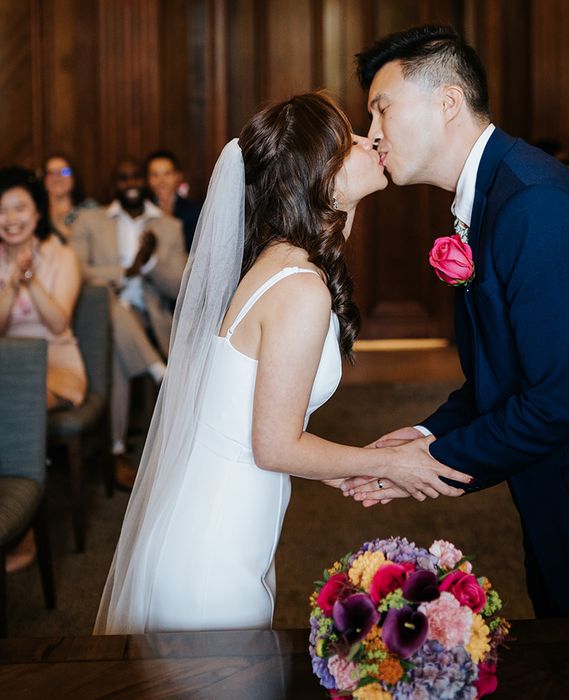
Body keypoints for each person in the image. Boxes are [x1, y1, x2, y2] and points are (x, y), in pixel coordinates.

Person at [344, 25, 569, 618]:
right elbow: (504, 375)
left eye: (382, 110)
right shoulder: (493, 196)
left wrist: (427, 466)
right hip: (565, 497)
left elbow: (556, 402)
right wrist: (428, 435)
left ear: (448, 101)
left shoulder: (535, 204)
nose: (373, 133)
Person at [93, 92, 471, 635]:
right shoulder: (299, 286)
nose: (373, 141)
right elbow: (275, 444)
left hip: (218, 519)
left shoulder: (280, 261)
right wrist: (389, 465)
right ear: (319, 175)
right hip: (212, 554)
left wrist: (357, 463)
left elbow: (252, 432)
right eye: (351, 141)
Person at [71, 159, 188, 488]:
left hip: (150, 317)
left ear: (144, 182)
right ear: (114, 185)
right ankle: (155, 367)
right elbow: (77, 271)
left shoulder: (168, 226)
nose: (130, 183)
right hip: (106, 310)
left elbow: (180, 284)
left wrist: (148, 263)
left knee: (118, 349)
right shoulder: (89, 221)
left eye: (136, 176)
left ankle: (117, 448)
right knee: (106, 302)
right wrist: (125, 272)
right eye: (123, 178)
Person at [0, 166, 87, 572]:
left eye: (19, 208)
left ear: (37, 213)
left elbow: (57, 323)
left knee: (15, 408)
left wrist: (30, 279)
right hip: (7, 367)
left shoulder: (62, 256)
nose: (11, 218)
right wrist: (9, 284)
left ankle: (24, 531)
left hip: (57, 363)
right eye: (2, 210)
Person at [144, 150, 202, 252]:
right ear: (148, 179)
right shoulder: (142, 209)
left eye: (167, 174)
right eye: (154, 175)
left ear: (178, 176)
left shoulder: (194, 212)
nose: (161, 181)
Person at [42, 154, 98, 240]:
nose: (57, 178)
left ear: (74, 177)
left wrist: (56, 221)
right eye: (51, 173)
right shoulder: (37, 212)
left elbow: (90, 243)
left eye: (64, 172)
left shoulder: (89, 207)